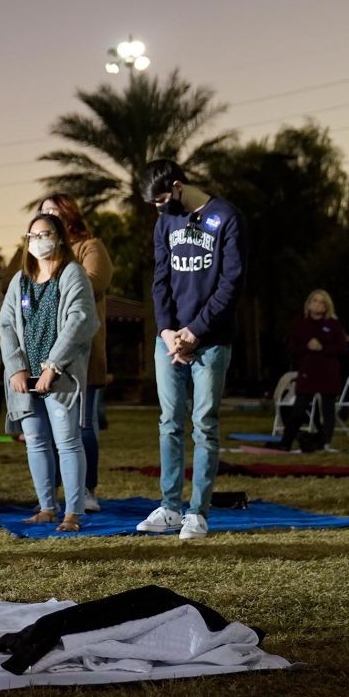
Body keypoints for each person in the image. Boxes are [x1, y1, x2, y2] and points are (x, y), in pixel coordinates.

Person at [136, 159, 246, 541]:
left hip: (211, 341)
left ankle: (197, 512)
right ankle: (169, 507)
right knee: (169, 423)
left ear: (179, 186)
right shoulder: (165, 222)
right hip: (169, 342)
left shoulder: (227, 217)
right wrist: (167, 332)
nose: (159, 209)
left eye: (163, 200)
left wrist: (195, 332)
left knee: (204, 424)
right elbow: (160, 279)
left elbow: (231, 283)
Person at [0, 213, 99, 532]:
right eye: (33, 236)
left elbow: (80, 321)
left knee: (67, 441)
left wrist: (53, 366)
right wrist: (16, 367)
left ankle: (73, 512)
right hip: (25, 378)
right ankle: (46, 507)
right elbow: (5, 324)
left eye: (45, 234)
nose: (39, 241)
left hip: (61, 377)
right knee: (35, 442)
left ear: (59, 237)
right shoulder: (20, 281)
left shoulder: (72, 274)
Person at [38, 193, 114, 512]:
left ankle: (84, 489)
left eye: (53, 212)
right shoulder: (34, 252)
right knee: (46, 428)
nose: (48, 218)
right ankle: (53, 491)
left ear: (69, 215)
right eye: (42, 214)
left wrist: (50, 276)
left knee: (82, 426)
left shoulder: (90, 248)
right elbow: (10, 284)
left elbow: (93, 284)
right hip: (42, 353)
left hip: (82, 353)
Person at [279, 289, 349, 451]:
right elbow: (292, 349)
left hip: (328, 372)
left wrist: (322, 347)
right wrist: (307, 347)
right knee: (298, 408)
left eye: (322, 302)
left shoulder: (333, 325)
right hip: (308, 372)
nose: (318, 305)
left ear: (326, 306)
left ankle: (324, 443)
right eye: (315, 301)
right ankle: (285, 442)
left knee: (328, 410)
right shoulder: (300, 325)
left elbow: (342, 347)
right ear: (308, 304)